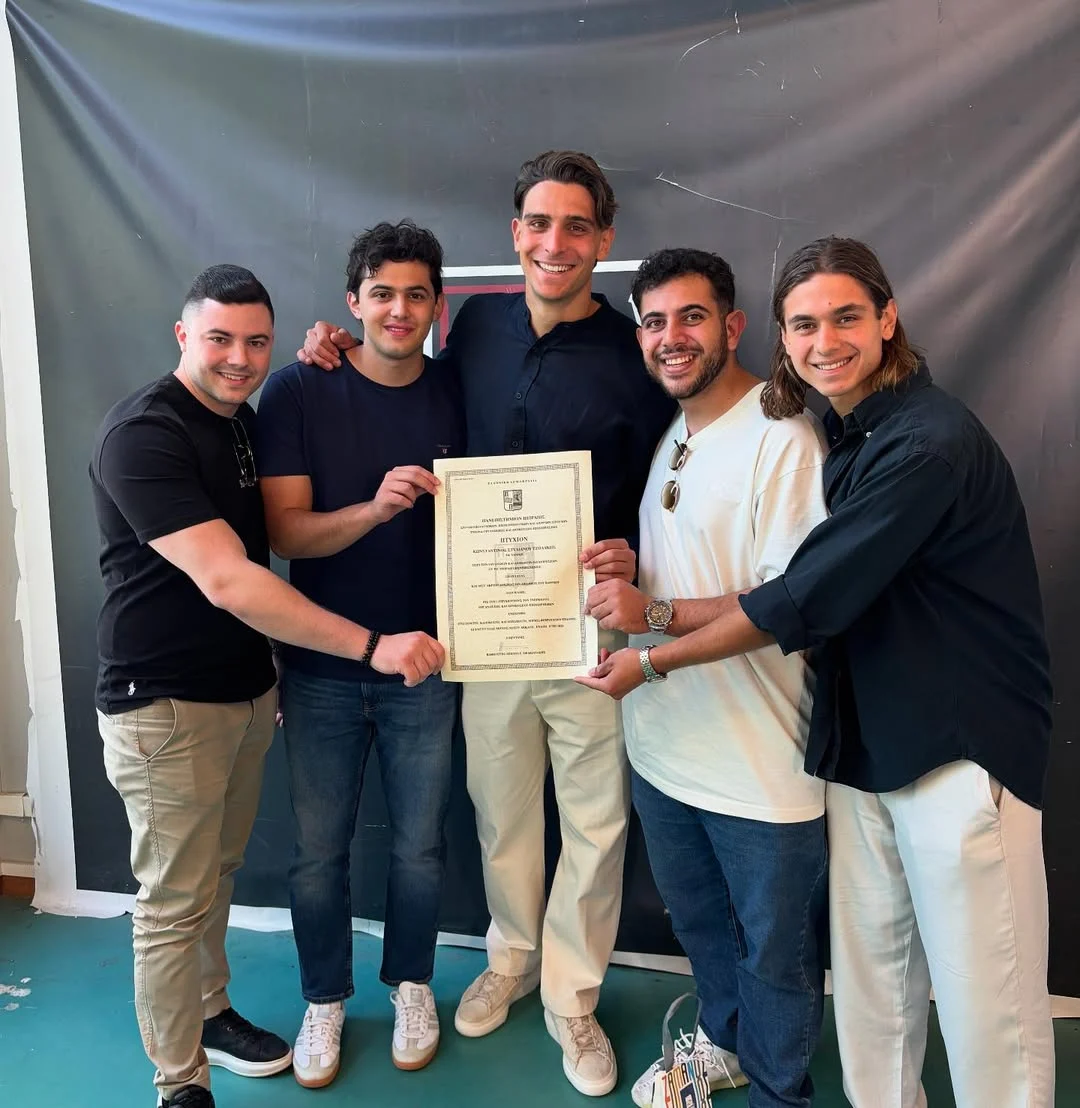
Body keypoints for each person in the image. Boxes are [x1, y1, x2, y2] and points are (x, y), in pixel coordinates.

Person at [578, 237, 1055, 1108]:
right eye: (804, 324)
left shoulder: (928, 443)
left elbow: (797, 598)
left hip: (960, 749)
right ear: (782, 335)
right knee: (876, 992)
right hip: (866, 746)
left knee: (991, 1011)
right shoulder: (851, 432)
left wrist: (650, 653)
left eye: (844, 318)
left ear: (888, 319)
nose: (823, 341)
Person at [299, 151, 675, 1096]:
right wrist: (329, 346)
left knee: (594, 820)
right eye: (539, 223)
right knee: (501, 812)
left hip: (588, 627)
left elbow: (663, 488)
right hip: (485, 626)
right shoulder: (471, 327)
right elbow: (393, 367)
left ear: (605, 239)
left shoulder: (633, 352)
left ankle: (572, 998)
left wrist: (631, 556)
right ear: (514, 234)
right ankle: (512, 961)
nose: (556, 243)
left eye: (577, 226)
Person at [91, 264, 443, 1108]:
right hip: (163, 703)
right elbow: (230, 580)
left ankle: (210, 1012)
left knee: (214, 875)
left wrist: (338, 347)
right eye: (219, 339)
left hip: (245, 693)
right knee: (173, 903)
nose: (239, 358)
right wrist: (371, 647)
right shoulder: (143, 434)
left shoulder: (244, 422)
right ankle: (180, 1084)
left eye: (257, 342)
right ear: (184, 335)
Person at [580, 248, 828, 1108]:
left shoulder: (783, 436)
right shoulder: (676, 432)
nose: (671, 337)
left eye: (691, 317)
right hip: (665, 747)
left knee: (776, 956)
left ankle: (779, 1093)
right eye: (654, 322)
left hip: (761, 761)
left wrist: (649, 623)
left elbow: (784, 602)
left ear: (732, 325)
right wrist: (633, 574)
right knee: (701, 928)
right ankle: (723, 1044)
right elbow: (692, 571)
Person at [255, 221, 464, 1087]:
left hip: (428, 666)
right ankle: (325, 998)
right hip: (322, 669)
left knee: (419, 848)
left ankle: (412, 985)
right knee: (318, 852)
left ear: (438, 305)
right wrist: (376, 510)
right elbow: (284, 534)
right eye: (382, 293)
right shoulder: (298, 389)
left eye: (416, 294)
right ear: (352, 302)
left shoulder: (457, 389)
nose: (399, 310)